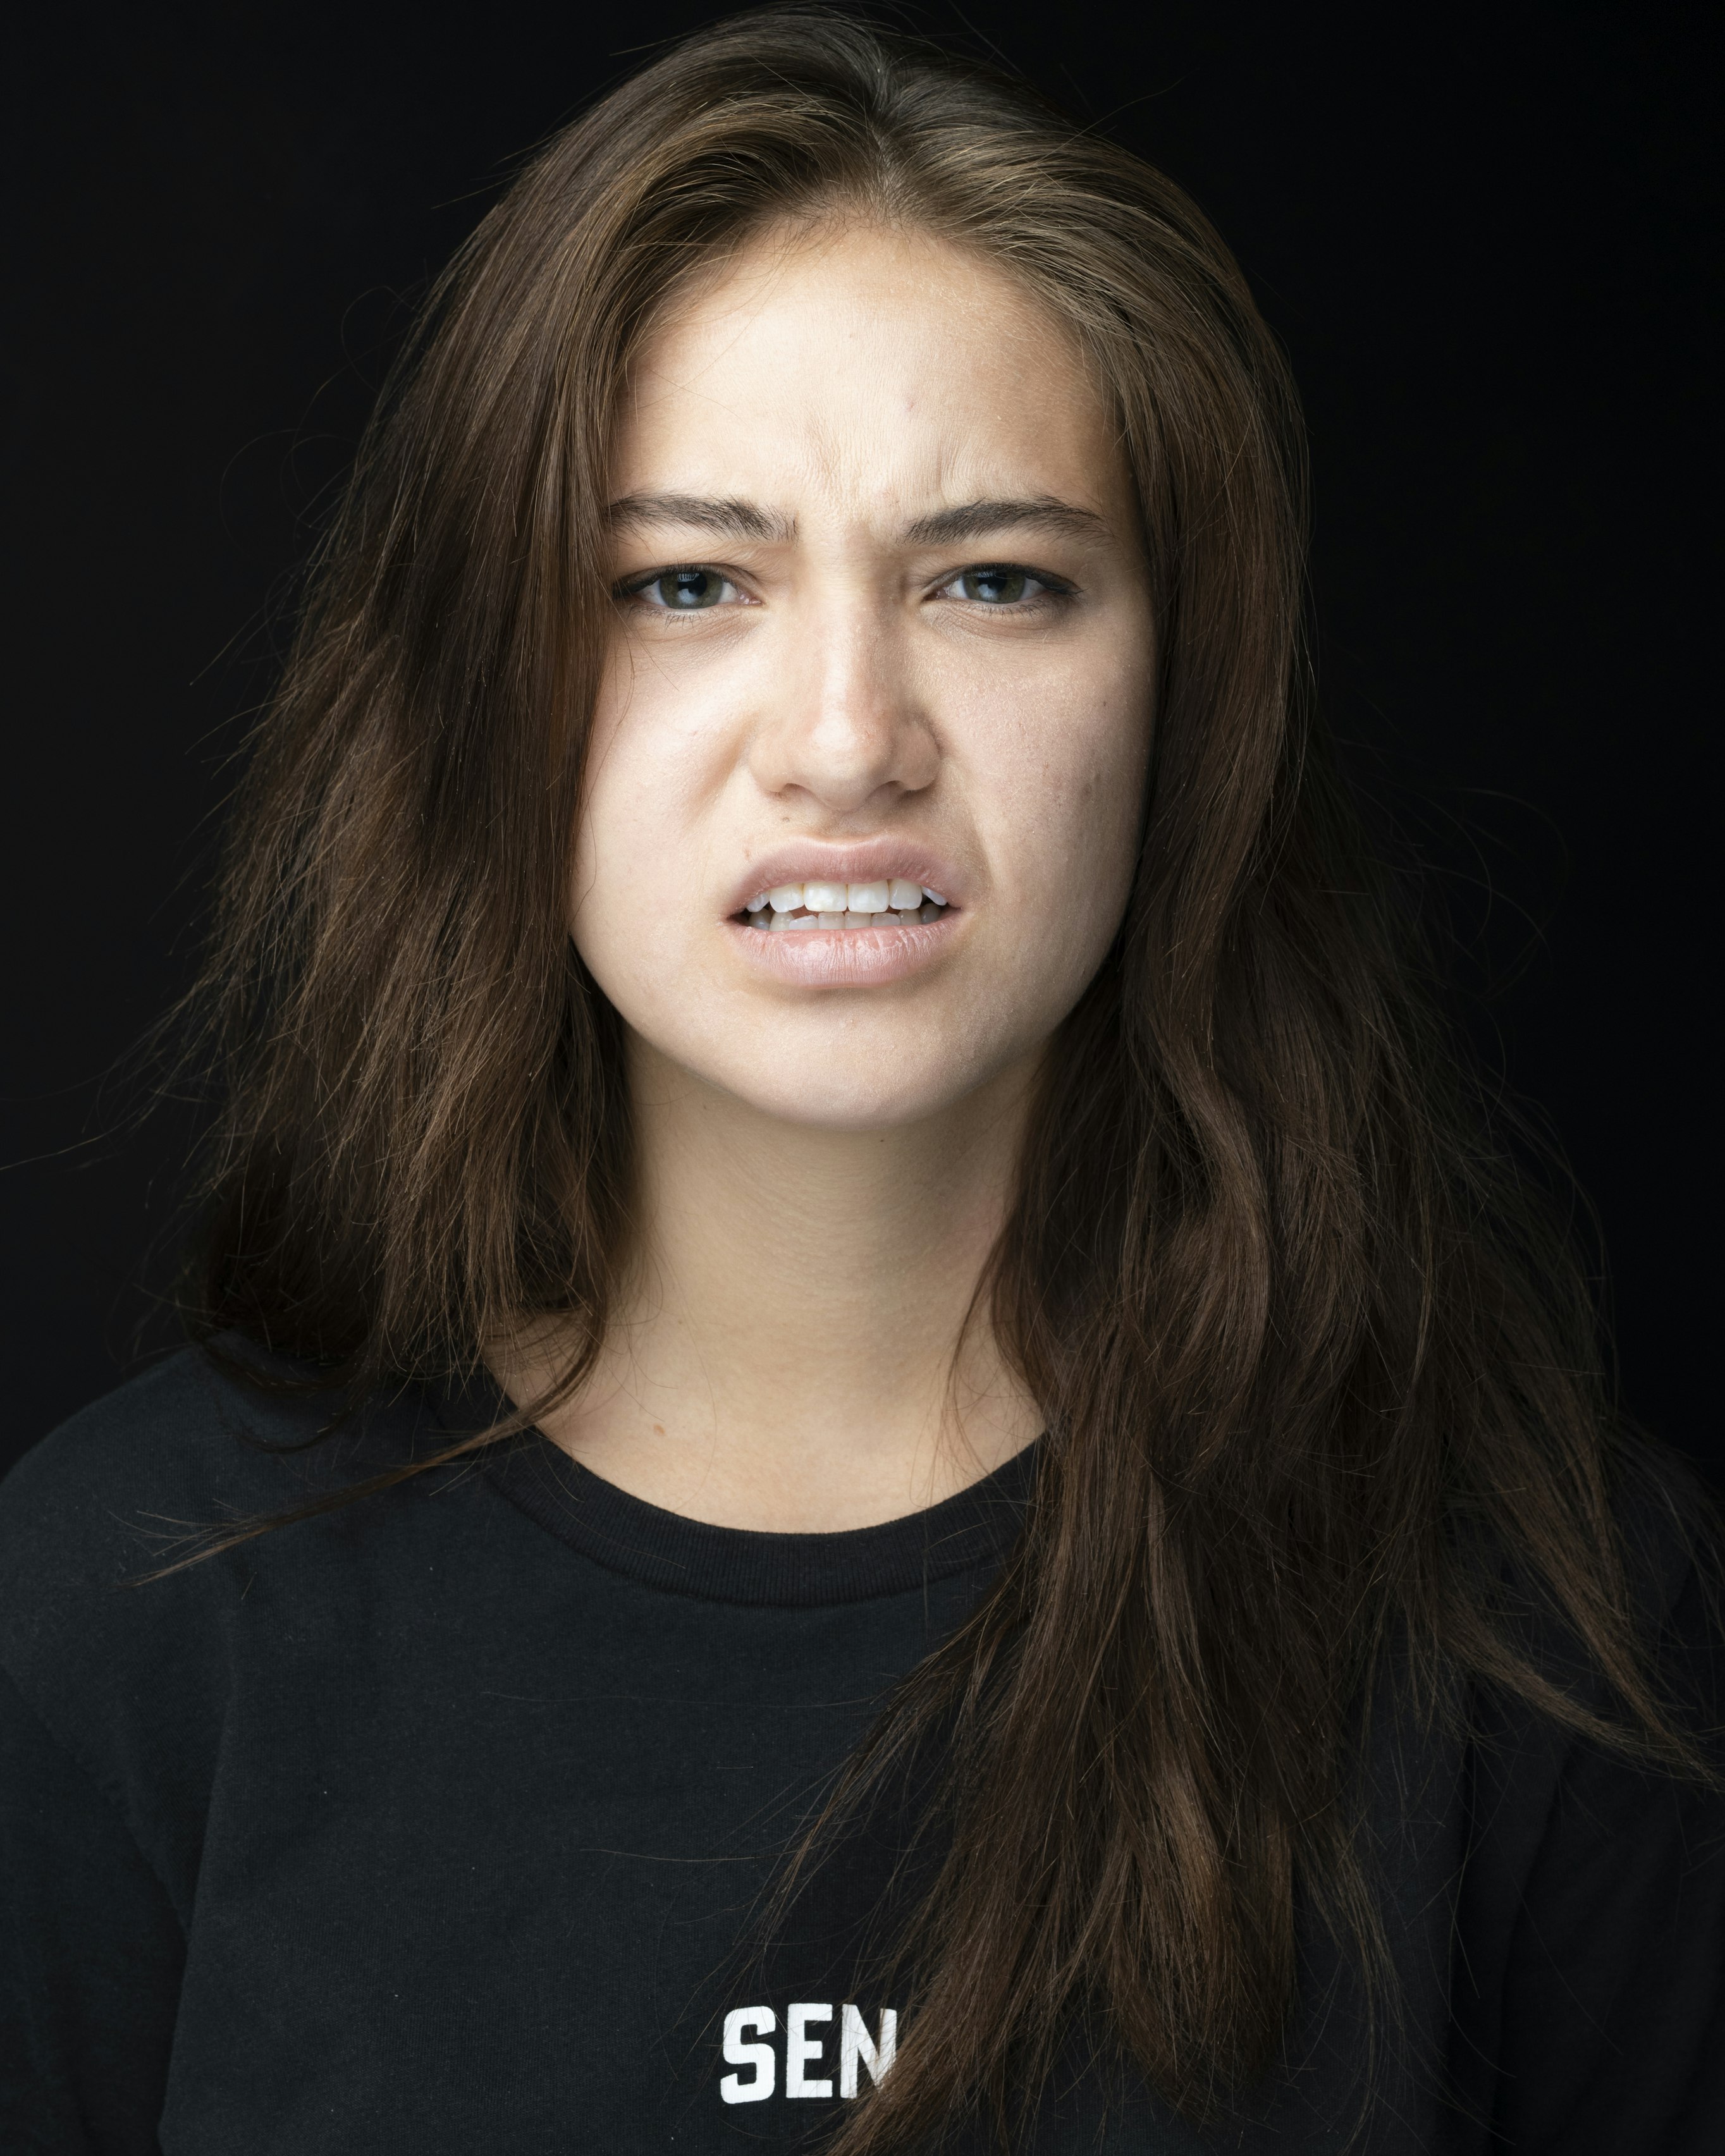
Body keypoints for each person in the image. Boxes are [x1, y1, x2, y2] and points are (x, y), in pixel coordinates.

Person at [1, 11, 1719, 2152]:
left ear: (1183, 698)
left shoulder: (1533, 1625)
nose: (845, 736)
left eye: (994, 580)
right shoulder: (122, 1614)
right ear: (482, 684)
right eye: (685, 584)